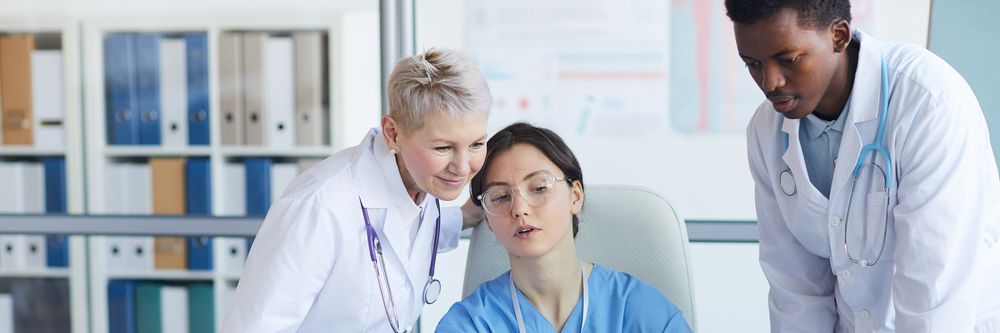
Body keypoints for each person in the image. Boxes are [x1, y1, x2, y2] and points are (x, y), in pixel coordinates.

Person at [725, 0, 1000, 331]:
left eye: (788, 60)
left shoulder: (928, 102)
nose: (770, 83)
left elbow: (934, 299)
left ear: (838, 36)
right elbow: (796, 294)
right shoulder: (767, 131)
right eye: (753, 64)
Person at [220, 49, 492, 332]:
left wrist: (465, 217)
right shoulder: (320, 207)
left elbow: (403, 232)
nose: (462, 167)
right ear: (393, 133)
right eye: (443, 148)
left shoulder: (422, 184)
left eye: (476, 144)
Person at [436, 122, 691, 333]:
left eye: (539, 188)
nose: (519, 209)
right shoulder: (470, 324)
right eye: (501, 197)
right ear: (488, 219)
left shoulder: (640, 312)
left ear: (576, 196)